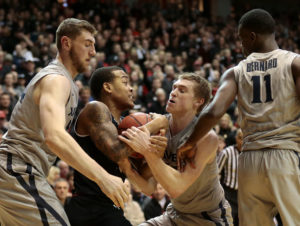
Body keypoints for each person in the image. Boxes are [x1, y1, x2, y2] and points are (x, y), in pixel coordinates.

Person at [0, 18, 129, 226]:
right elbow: (54, 135)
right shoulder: (57, 80)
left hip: (15, 173)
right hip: (18, 170)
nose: (93, 52)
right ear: (66, 43)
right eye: (87, 44)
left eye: (94, 46)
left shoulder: (65, 83)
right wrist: (103, 177)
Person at [177, 9, 300, 225]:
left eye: (242, 40)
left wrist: (190, 142)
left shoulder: (236, 72)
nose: (241, 46)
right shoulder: (294, 63)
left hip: (249, 159)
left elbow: (214, 111)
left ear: (252, 37)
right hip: (285, 155)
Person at [120, 72, 233, 225]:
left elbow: (176, 188)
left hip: (208, 218)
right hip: (175, 214)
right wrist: (126, 167)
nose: (173, 92)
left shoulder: (205, 137)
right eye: (174, 88)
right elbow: (147, 188)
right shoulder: (158, 125)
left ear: (198, 101)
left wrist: (148, 152)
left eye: (182, 90)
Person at [64, 66, 167, 226]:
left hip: (110, 209)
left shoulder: (124, 127)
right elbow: (117, 153)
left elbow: (147, 187)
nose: (131, 88)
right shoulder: (95, 108)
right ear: (107, 87)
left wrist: (154, 152)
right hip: (88, 209)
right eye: (125, 82)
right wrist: (155, 125)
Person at [217, 129, 243, 226]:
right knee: (228, 221)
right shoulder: (226, 152)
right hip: (229, 193)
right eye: (240, 138)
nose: (243, 141)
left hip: (244, 195)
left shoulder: (250, 154)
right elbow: (216, 173)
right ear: (236, 139)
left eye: (245, 138)